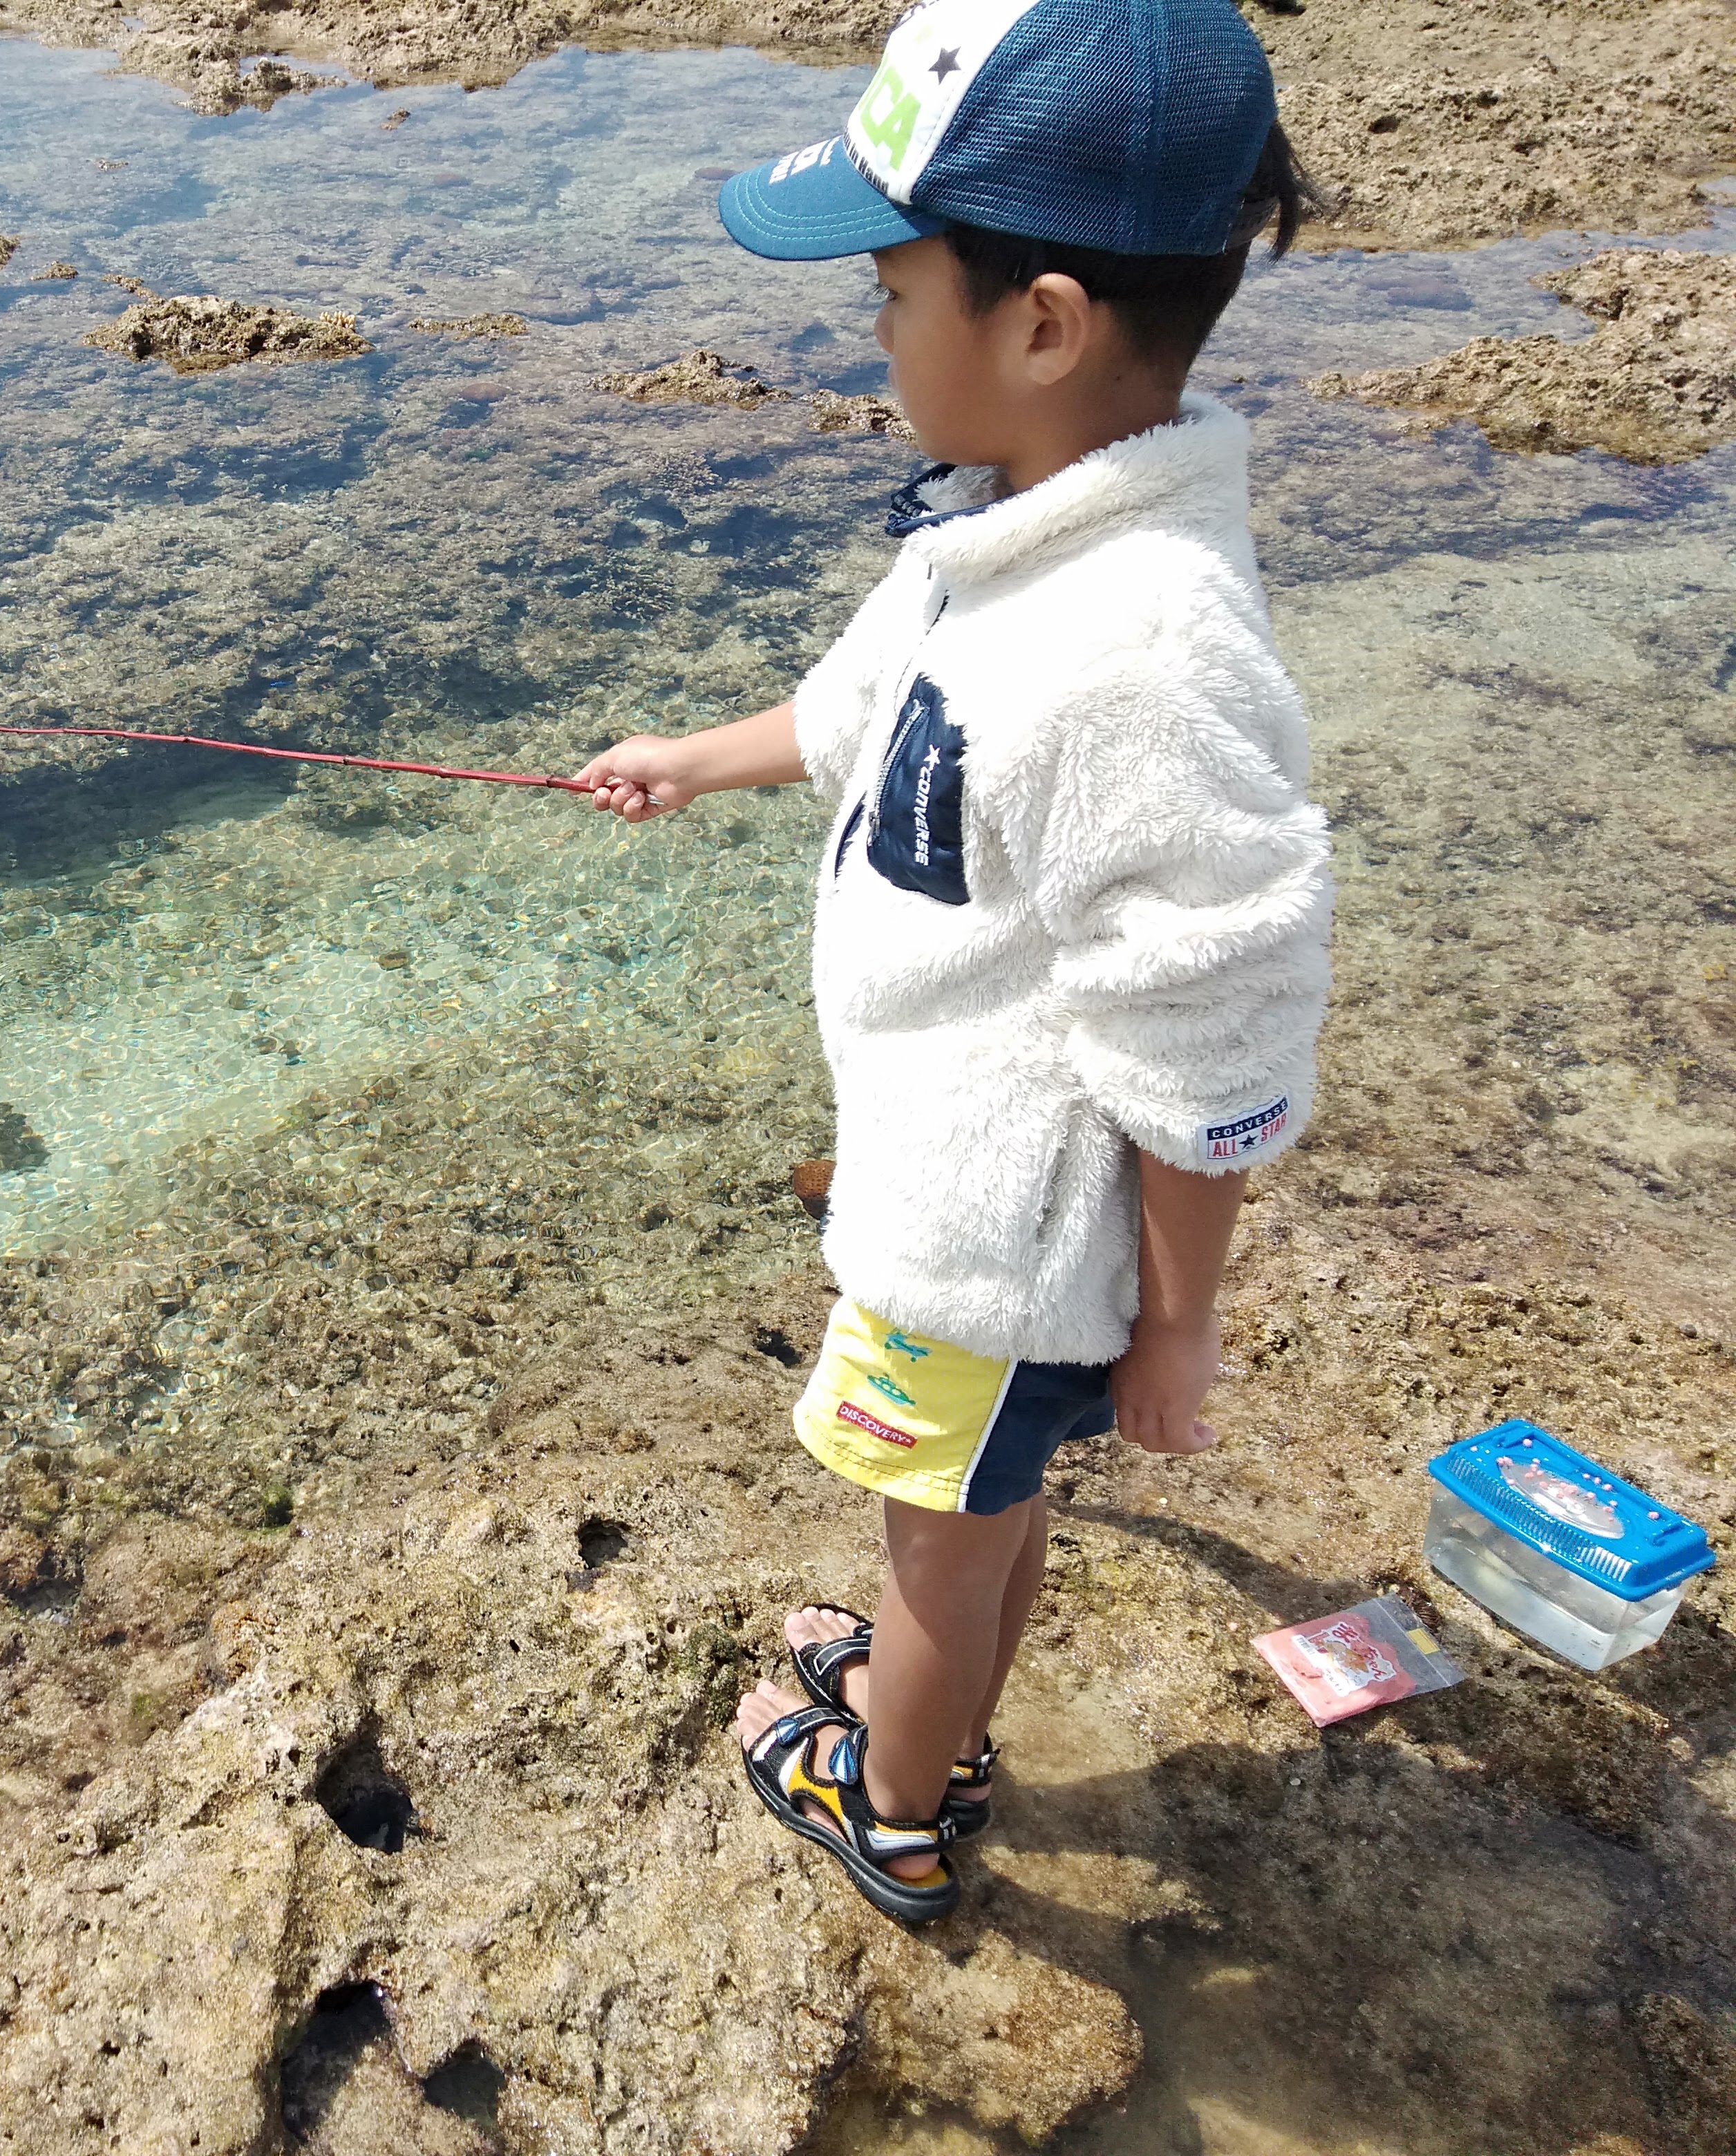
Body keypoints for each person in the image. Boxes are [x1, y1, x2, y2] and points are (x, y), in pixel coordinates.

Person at [572, 0, 1336, 1924]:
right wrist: (697, 755)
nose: (878, 334)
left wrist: (1175, 1326)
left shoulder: (1147, 651)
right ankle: (946, 1700)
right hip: (967, 1207)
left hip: (991, 1247)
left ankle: (893, 1808)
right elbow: (861, 713)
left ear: (1047, 322)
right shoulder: (1003, 538)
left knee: (940, 1551)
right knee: (975, 1519)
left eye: (895, 294)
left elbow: (1207, 1037)